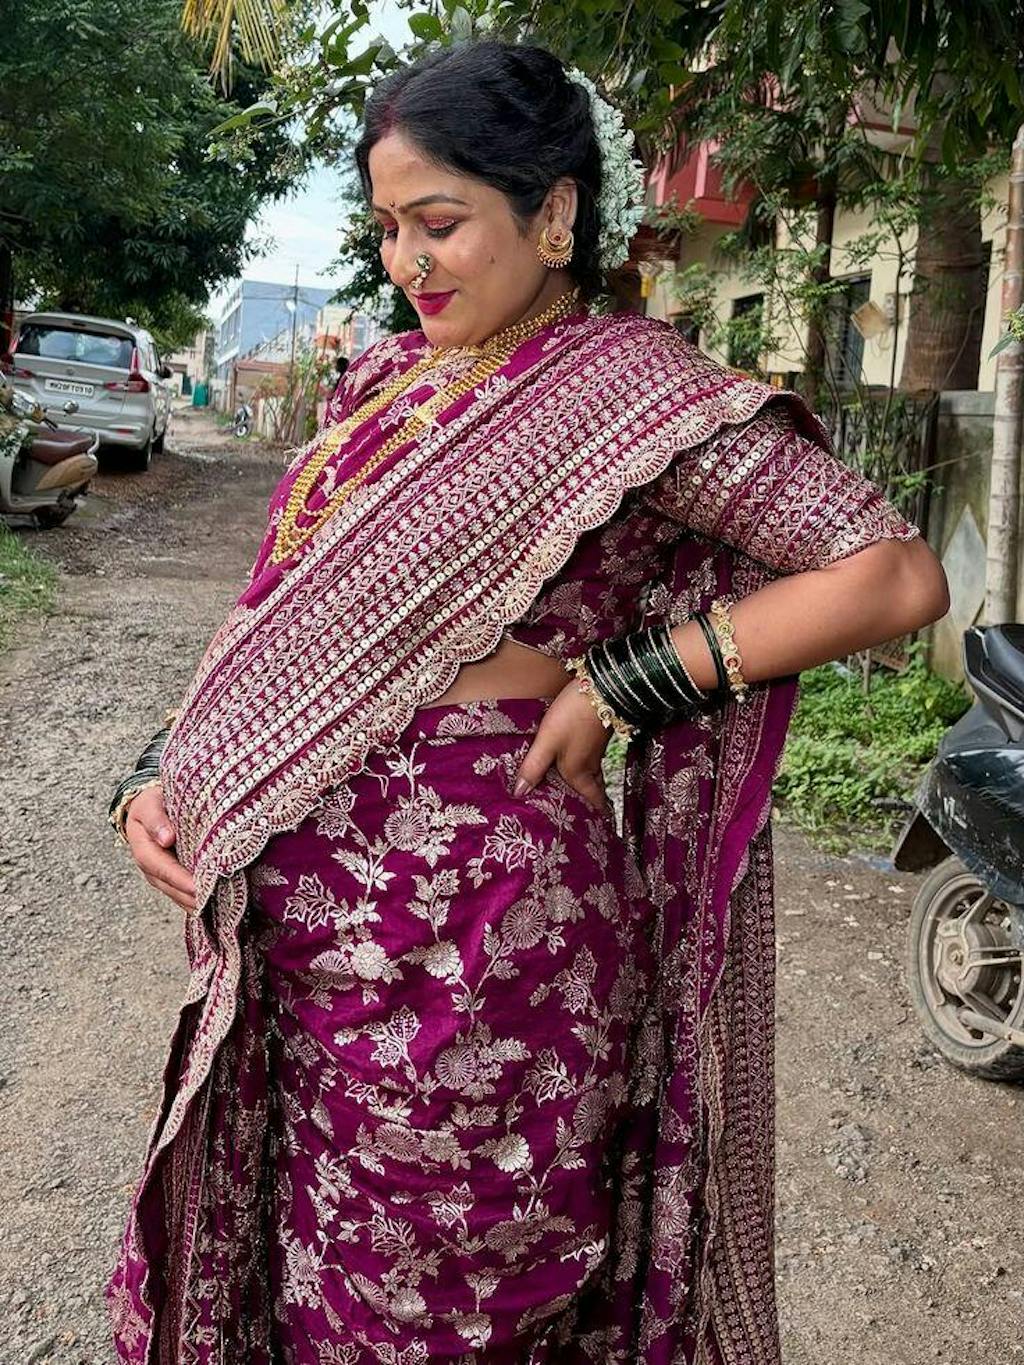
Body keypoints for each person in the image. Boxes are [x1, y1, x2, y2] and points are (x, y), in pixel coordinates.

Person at [105, 39, 949, 1365]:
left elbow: (891, 573)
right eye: (390, 229)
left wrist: (629, 680)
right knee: (317, 1285)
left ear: (554, 210)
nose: (409, 262)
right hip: (301, 957)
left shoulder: (630, 399)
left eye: (440, 223)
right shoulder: (378, 391)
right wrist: (163, 771)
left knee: (460, 1302)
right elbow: (277, 624)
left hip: (488, 958)